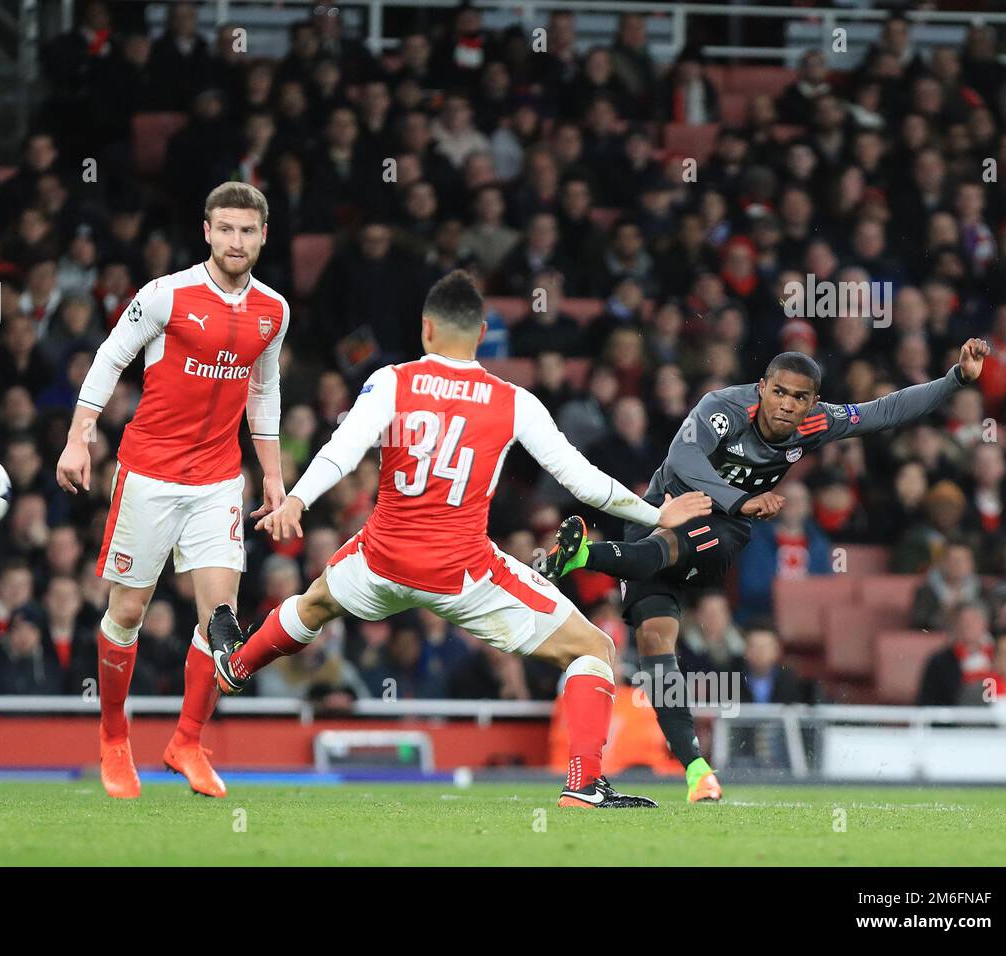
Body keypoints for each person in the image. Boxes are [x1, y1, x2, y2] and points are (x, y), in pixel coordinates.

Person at [205, 271, 711, 809]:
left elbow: (342, 448)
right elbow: (582, 481)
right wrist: (657, 512)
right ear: (482, 332)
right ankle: (584, 783)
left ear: (426, 328)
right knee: (595, 648)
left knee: (315, 602)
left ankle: (236, 666)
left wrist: (298, 500)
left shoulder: (392, 381)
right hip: (462, 575)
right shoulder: (512, 400)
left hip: (382, 561)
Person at [543, 339, 991, 802]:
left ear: (813, 402)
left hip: (722, 528)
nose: (788, 404)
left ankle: (583, 557)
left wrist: (955, 378)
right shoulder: (721, 408)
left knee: (689, 550)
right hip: (660, 511)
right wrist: (744, 498)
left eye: (800, 397)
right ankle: (698, 772)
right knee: (657, 646)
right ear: (762, 388)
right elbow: (684, 459)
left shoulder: (819, 422)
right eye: (779, 392)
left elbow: (886, 410)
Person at [55, 182, 289, 800]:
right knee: (127, 612)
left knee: (221, 620)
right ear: (206, 231)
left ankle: (186, 740)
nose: (237, 241)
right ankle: (112, 738)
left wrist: (271, 472)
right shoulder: (167, 295)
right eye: (226, 229)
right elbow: (109, 358)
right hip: (149, 474)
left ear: (263, 236)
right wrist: (80, 437)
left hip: (218, 480)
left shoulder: (274, 310)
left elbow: (264, 391)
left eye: (248, 230)